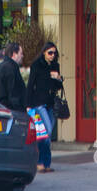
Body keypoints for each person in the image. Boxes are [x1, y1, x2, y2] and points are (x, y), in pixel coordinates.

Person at [27, 42, 64, 173]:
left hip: (51, 103)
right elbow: (31, 85)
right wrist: (28, 105)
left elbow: (58, 87)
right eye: (50, 53)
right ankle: (39, 162)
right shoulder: (37, 65)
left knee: (45, 136)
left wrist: (58, 78)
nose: (52, 56)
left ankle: (46, 164)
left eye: (54, 53)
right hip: (39, 104)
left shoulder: (55, 66)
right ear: (44, 52)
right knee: (46, 133)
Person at [0, 41, 27, 111]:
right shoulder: (11, 68)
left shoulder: (1, 67)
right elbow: (13, 92)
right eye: (21, 53)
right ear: (14, 54)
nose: (22, 56)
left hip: (2, 108)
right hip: (11, 110)